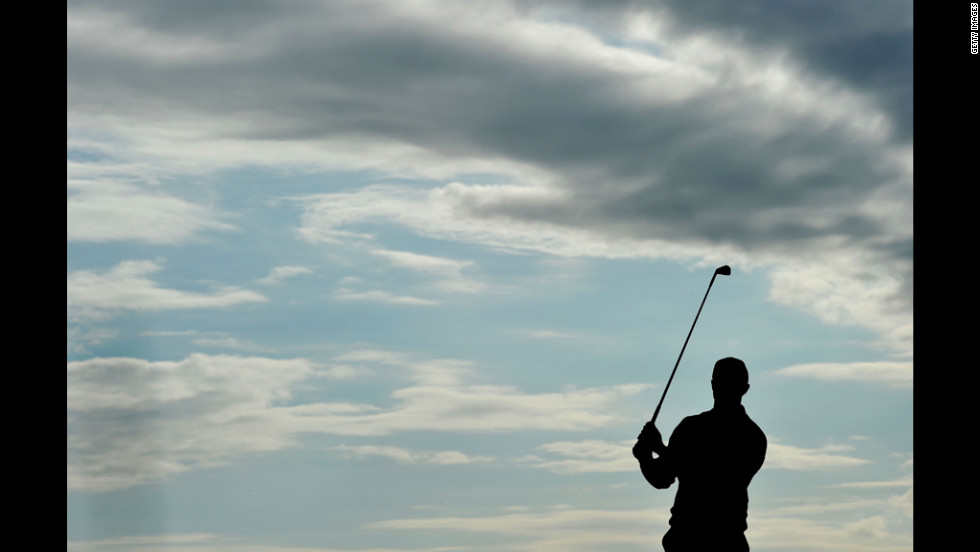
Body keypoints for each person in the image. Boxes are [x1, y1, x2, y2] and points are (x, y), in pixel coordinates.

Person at [633, 357, 767, 551]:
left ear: (713, 385)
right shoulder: (754, 436)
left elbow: (700, 475)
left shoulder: (691, 427)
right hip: (727, 541)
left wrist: (649, 453)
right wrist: (648, 454)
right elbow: (673, 474)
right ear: (745, 388)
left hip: (689, 540)